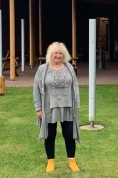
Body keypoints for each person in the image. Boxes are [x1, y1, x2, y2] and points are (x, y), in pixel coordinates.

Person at [33, 42, 81, 173]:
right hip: (49, 107)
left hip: (68, 107)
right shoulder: (42, 69)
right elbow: (36, 89)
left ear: (64, 55)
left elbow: (75, 86)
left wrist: (77, 104)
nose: (58, 56)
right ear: (51, 54)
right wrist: (38, 108)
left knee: (69, 134)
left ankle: (72, 161)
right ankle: (51, 161)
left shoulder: (69, 67)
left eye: (61, 53)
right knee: (50, 134)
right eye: (56, 53)